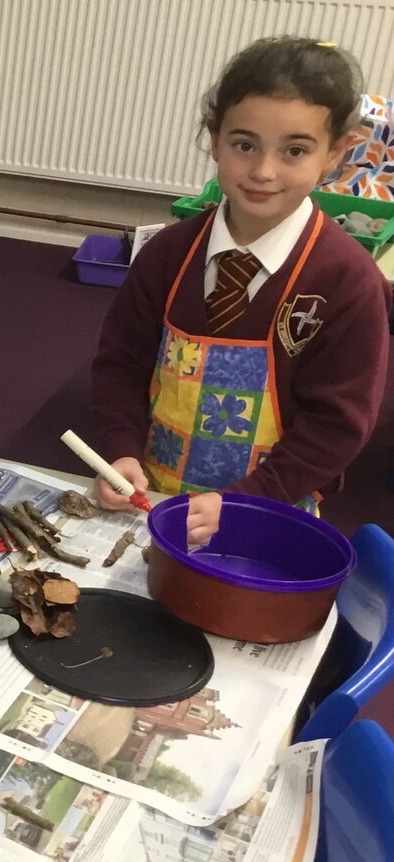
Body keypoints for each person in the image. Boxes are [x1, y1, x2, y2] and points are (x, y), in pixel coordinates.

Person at [90, 36, 390, 545]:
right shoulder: (166, 254)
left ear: (334, 153)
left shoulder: (348, 281)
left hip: (272, 510)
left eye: (295, 150)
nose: (263, 171)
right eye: (244, 144)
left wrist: (250, 500)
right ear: (215, 138)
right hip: (156, 502)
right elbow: (120, 366)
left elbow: (337, 427)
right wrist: (120, 451)